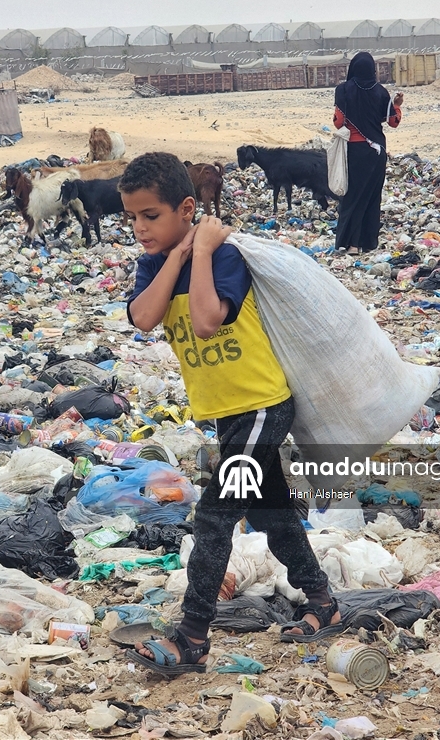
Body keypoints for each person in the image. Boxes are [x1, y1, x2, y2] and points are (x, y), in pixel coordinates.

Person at [120, 152, 342, 677]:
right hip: (228, 414)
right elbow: (143, 317)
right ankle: (323, 603)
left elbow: (205, 321)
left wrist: (200, 251)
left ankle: (192, 637)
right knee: (272, 512)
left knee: (215, 515)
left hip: (262, 406)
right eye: (132, 218)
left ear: (186, 208)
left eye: (151, 216)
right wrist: (179, 253)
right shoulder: (155, 264)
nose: (139, 228)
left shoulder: (224, 258)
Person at [333, 52, 404, 255]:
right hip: (377, 153)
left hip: (355, 151)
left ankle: (352, 245)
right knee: (371, 197)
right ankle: (368, 243)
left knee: (353, 197)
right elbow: (393, 122)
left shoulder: (343, 90)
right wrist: (397, 106)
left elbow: (338, 122)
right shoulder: (381, 92)